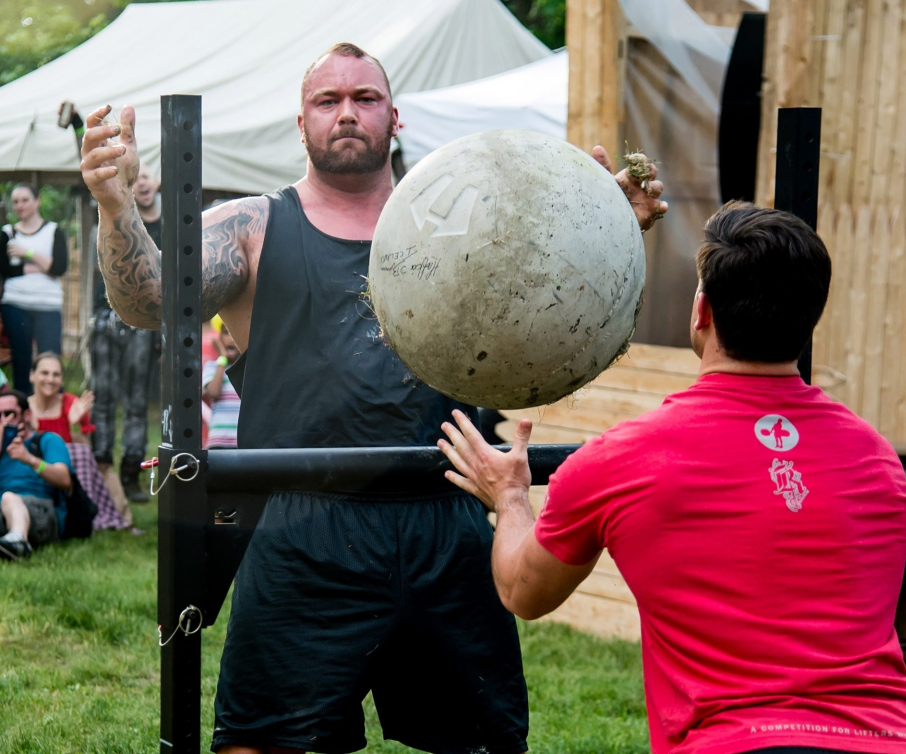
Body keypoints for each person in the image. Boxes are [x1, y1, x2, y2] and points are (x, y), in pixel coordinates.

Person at [79, 42, 667, 754]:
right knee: (262, 744)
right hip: (303, 528)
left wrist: (607, 231)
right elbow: (151, 302)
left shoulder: (474, 232)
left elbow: (548, 310)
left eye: (365, 98)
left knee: (481, 745)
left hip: (444, 516)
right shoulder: (257, 229)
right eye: (328, 102)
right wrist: (115, 207)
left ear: (397, 118)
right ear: (301, 125)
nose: (347, 113)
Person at [437, 201, 906, 754]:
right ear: (810, 319)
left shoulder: (620, 461)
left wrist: (510, 495)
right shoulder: (879, 463)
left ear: (701, 311)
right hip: (902, 741)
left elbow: (523, 590)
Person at [89, 165, 160, 503]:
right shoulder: (111, 217)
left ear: (157, 183)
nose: (142, 183)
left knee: (135, 403)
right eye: (137, 178)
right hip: (105, 321)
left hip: (144, 326)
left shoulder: (170, 226)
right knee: (103, 399)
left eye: (148, 177)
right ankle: (101, 470)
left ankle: (131, 474)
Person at [27, 352, 132, 532]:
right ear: (32, 375)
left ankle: (84, 511)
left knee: (81, 454)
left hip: (70, 470)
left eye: (56, 374)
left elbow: (85, 453)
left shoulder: (71, 403)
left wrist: (73, 424)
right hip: (38, 468)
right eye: (44, 373)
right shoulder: (24, 407)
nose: (50, 379)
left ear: (61, 379)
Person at [0, 184, 68, 392]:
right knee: (21, 360)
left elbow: (59, 267)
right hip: (15, 304)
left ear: (37, 201)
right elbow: (5, 270)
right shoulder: (7, 233)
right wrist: (41, 265)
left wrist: (26, 253)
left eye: (25, 200)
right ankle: (25, 414)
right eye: (16, 201)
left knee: (50, 359)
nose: (20, 205)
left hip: (48, 304)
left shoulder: (54, 230)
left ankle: (54, 413)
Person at [0, 389, 73, 562]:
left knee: (10, 498)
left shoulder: (47, 440)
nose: (3, 420)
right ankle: (10, 542)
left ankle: (18, 540)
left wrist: (30, 459)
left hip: (41, 511)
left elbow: (64, 479)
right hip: (3, 508)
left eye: (9, 414)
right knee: (7, 500)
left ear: (26, 415)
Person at [202, 323, 241, 449]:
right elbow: (214, 392)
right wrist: (222, 359)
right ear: (219, 339)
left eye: (234, 332)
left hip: (241, 441)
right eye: (226, 333)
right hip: (218, 441)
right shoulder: (212, 367)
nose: (230, 338)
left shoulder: (247, 369)